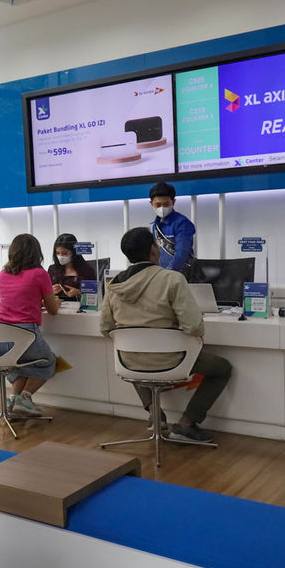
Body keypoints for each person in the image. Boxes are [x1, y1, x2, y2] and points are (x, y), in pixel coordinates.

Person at [100, 227, 232, 442]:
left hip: (128, 361)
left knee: (136, 356)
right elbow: (194, 327)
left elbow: (105, 328)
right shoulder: (172, 279)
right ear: (154, 250)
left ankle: (155, 414)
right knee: (222, 368)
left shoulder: (114, 285)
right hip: (172, 360)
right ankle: (187, 423)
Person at [0, 233, 61, 416]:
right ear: (36, 253)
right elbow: (53, 310)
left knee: (22, 364)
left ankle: (13, 401)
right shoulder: (40, 274)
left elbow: (9, 300)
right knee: (49, 361)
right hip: (24, 336)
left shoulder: (2, 274)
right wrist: (55, 301)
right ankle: (25, 397)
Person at [148, 181, 197, 277]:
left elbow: (182, 252)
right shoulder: (155, 225)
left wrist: (168, 272)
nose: (162, 208)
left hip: (181, 275)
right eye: (158, 205)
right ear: (151, 203)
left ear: (173, 202)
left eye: (166, 204)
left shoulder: (182, 223)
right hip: (161, 274)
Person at [48, 233, 97, 301]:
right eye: (57, 253)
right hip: (57, 307)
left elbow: (94, 296)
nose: (60, 256)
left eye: (64, 253)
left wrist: (79, 293)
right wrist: (50, 292)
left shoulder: (87, 270)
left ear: (74, 252)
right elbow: (44, 293)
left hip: (79, 308)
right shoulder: (52, 269)